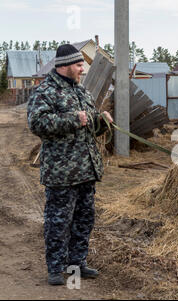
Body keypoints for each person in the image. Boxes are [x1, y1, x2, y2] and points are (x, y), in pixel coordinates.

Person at [27, 44, 114, 285]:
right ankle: (55, 268)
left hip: (86, 169)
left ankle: (77, 263)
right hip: (61, 172)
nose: (82, 68)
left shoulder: (81, 92)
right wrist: (73, 119)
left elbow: (90, 129)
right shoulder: (45, 91)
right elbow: (37, 124)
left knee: (84, 219)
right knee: (58, 221)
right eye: (78, 64)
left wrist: (102, 122)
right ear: (65, 66)